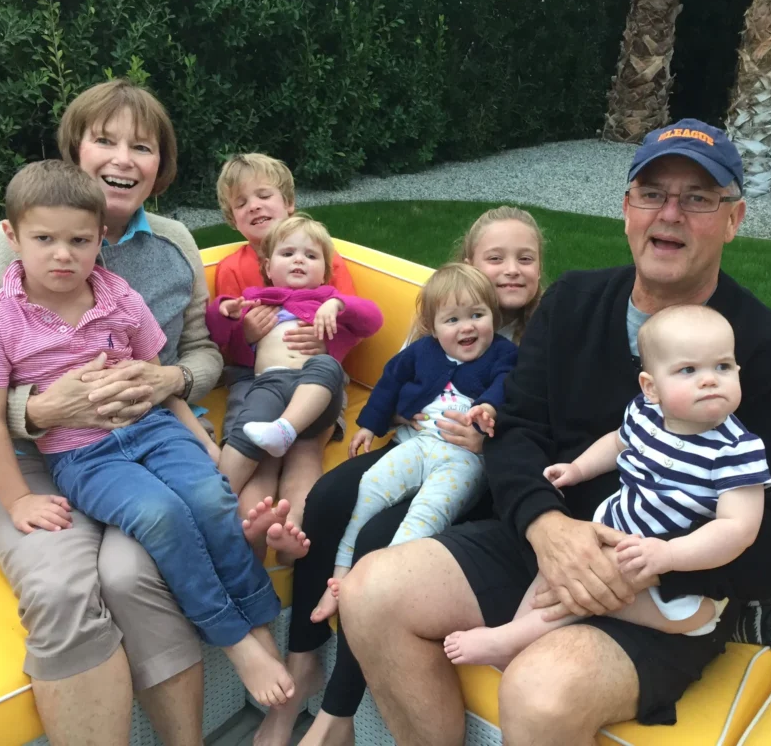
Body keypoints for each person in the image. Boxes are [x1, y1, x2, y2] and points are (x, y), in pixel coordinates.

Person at [337, 118, 771, 745]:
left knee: (541, 692)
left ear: (734, 219)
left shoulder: (765, 350)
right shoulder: (574, 302)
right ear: (627, 209)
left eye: (699, 198)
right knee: (370, 592)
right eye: (653, 194)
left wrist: (656, 565)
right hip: (544, 544)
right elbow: (515, 430)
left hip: (665, 595)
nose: (671, 214)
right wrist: (548, 528)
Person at [0, 79, 225, 746]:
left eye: (143, 146)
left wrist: (170, 379)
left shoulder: (177, 244)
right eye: (104, 140)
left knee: (133, 574)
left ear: (162, 166)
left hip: (145, 443)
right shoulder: (11, 242)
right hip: (39, 460)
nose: (123, 158)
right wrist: (40, 409)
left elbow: (203, 354)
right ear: (76, 150)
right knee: (64, 589)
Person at [0, 159, 294, 706]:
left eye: (79, 240)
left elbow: (158, 380)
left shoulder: (118, 298)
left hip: (155, 429)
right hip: (84, 457)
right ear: (12, 237)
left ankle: (258, 619)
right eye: (44, 238)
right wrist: (18, 498)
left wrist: (203, 441)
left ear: (100, 241)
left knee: (212, 496)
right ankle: (234, 637)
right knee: (161, 514)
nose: (63, 254)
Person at [253, 205, 545, 746]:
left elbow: (536, 424)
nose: (510, 270)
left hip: (482, 475)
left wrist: (489, 432)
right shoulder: (442, 309)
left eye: (524, 259)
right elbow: (402, 380)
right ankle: (302, 661)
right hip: (417, 446)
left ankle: (336, 714)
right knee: (329, 496)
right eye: (495, 258)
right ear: (468, 264)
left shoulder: (538, 336)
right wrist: (395, 412)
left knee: (377, 539)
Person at [444, 304, 770, 668]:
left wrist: (669, 556)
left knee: (576, 589)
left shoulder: (737, 450)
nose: (709, 379)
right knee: (562, 570)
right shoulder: (647, 415)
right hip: (617, 542)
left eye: (722, 367)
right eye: (688, 370)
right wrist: (578, 469)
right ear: (651, 387)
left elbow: (738, 528)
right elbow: (618, 442)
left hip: (672, 591)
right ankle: (515, 643)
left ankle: (507, 641)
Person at [314, 263, 518, 621]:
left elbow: (505, 383)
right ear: (434, 328)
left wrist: (488, 407)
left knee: (425, 515)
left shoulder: (502, 354)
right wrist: (369, 426)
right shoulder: (422, 352)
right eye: (452, 320)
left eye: (477, 314)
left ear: (493, 315)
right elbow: (390, 382)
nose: (467, 326)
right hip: (419, 444)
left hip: (463, 460)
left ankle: (381, 588)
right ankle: (342, 573)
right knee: (371, 485)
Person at [208, 214, 382, 559]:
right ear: (268, 267)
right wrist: (226, 313)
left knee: (307, 445)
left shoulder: (328, 303)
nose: (299, 259)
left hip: (313, 398)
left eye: (311, 255)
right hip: (266, 388)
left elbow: (372, 319)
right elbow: (225, 344)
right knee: (262, 462)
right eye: (288, 253)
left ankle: (295, 531)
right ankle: (256, 528)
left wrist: (337, 303)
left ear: (325, 271)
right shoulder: (255, 301)